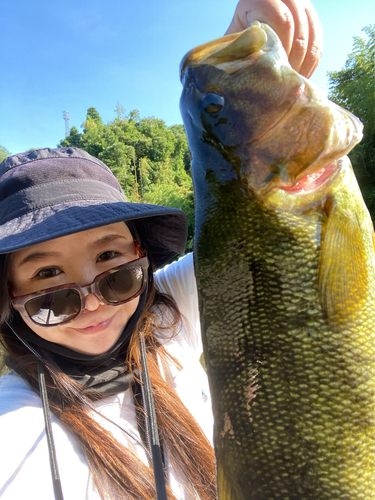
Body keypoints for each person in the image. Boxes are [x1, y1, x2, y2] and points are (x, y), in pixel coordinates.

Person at [0, 2, 323, 499]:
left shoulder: (165, 314)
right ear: (10, 295)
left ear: (140, 257)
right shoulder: (15, 429)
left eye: (114, 268)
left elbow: (256, 231)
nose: (94, 304)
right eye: (49, 285)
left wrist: (243, 83)